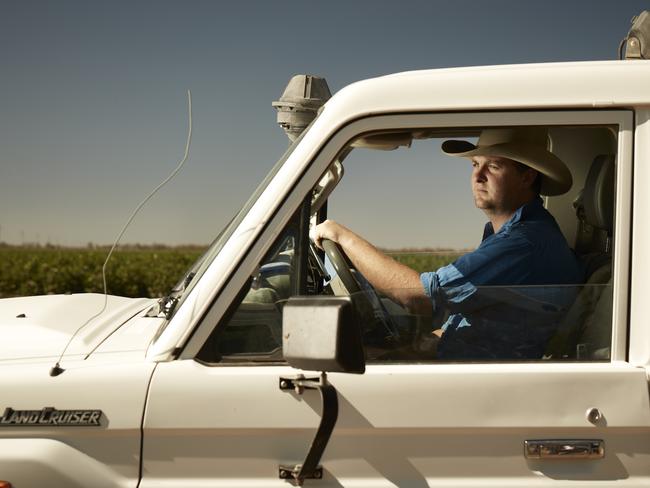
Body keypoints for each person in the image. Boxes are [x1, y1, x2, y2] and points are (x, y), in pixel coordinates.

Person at [310, 127, 585, 360]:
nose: (478, 176)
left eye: (494, 166)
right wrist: (409, 351)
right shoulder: (514, 234)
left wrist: (341, 236)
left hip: (486, 385)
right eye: (476, 164)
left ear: (527, 177)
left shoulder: (523, 242)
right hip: (468, 367)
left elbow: (418, 298)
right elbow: (468, 318)